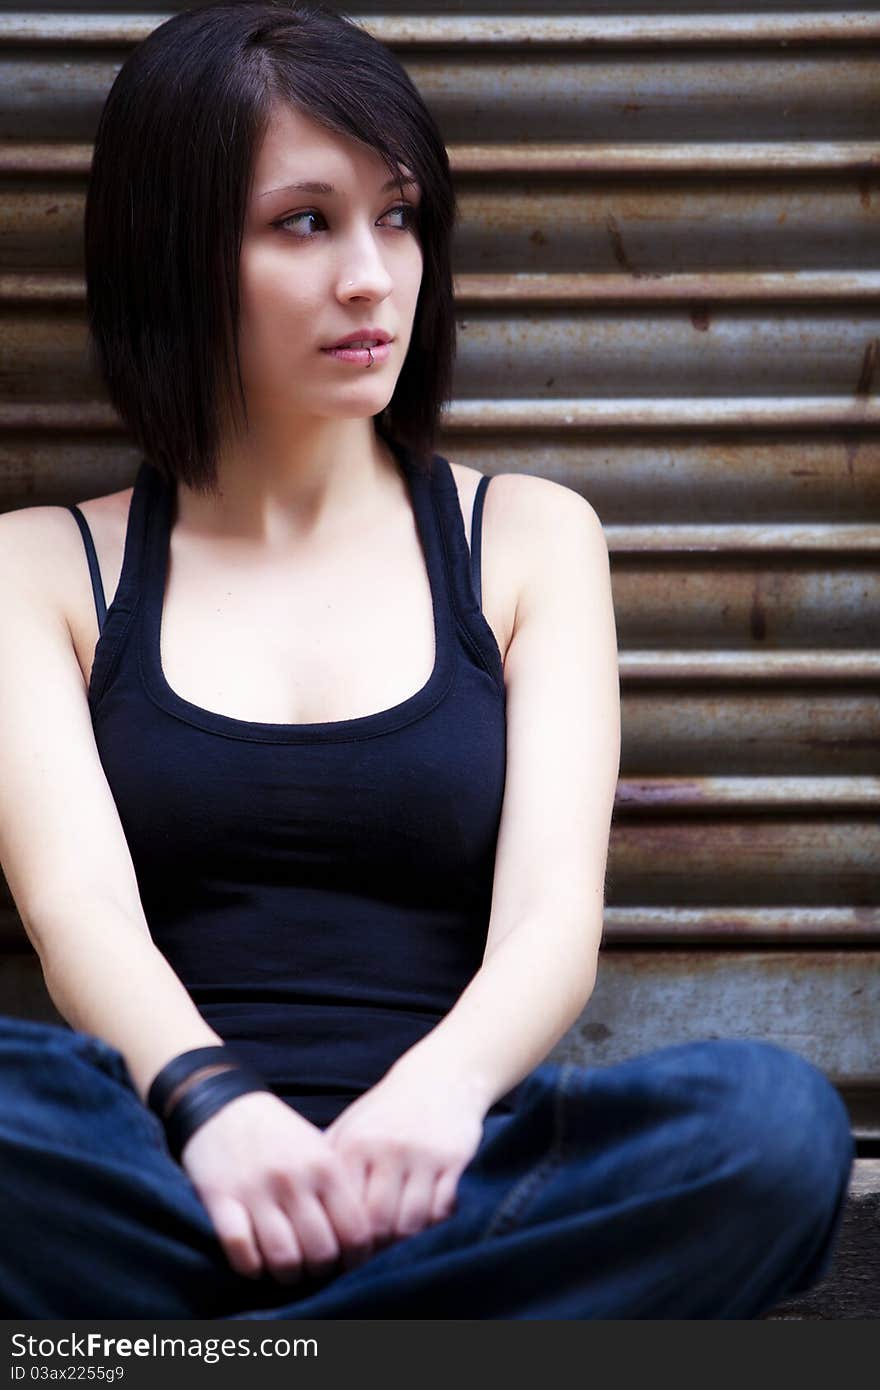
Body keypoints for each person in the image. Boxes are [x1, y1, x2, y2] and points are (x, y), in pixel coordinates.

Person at [0, 2, 854, 1319]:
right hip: (163, 1171)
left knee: (772, 1124)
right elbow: (76, 912)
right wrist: (218, 1110)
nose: (373, 275)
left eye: (397, 216)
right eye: (305, 221)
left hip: (454, 1178)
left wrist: (434, 1102)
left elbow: (552, 921)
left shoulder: (526, 538)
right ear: (174, 251)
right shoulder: (43, 567)